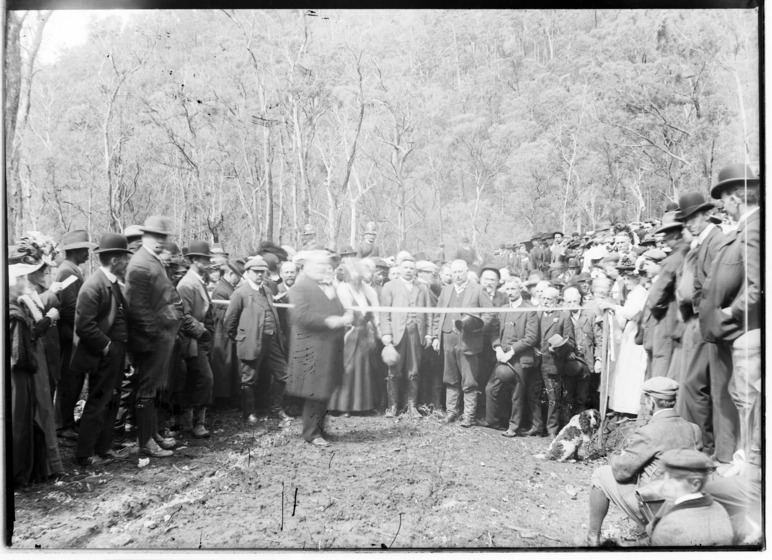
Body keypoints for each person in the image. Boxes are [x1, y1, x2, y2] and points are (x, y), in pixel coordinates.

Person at [586, 377, 703, 546]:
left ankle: (592, 539)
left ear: (650, 401)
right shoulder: (693, 429)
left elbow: (621, 472)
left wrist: (615, 456)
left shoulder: (648, 432)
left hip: (657, 511)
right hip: (686, 509)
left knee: (600, 474)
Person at [700, 163, 759, 463]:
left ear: (736, 198)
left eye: (724, 200)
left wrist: (729, 313)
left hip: (744, 332)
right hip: (736, 332)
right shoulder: (746, 227)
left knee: (746, 399)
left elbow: (757, 287)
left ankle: (749, 463)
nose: (723, 207)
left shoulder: (754, 228)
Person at [673, 191, 728, 461]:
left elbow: (714, 286)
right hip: (699, 320)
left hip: (707, 321)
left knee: (697, 387)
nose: (690, 223)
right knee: (695, 386)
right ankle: (701, 445)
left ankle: (705, 447)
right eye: (686, 220)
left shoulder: (716, 240)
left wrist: (701, 313)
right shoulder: (701, 243)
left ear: (706, 213)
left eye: (694, 217)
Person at [70, 233, 132, 467]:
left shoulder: (113, 283)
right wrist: (106, 347)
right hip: (103, 353)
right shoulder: (93, 285)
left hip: (116, 351)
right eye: (125, 258)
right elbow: (84, 325)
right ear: (115, 260)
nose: (127, 263)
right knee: (98, 401)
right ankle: (85, 454)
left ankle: (104, 448)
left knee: (112, 400)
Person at [125, 216, 183, 458]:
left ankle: (152, 434)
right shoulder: (140, 264)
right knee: (147, 390)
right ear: (144, 236)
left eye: (163, 237)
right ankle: (145, 442)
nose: (160, 241)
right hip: (151, 340)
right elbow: (137, 308)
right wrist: (155, 334)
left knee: (154, 389)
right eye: (155, 236)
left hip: (161, 338)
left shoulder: (153, 260)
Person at [9, 244, 65, 484]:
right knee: (20, 418)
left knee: (30, 416)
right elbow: (23, 342)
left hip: (29, 364)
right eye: (22, 277)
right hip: (22, 370)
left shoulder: (21, 300)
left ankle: (33, 468)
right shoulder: (14, 307)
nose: (25, 282)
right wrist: (48, 320)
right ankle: (19, 473)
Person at [286, 251, 352, 446]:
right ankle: (311, 433)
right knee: (314, 392)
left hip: (328, 348)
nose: (323, 270)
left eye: (324, 266)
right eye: (318, 266)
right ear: (305, 267)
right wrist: (329, 321)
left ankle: (319, 429)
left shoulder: (326, 287)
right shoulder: (300, 287)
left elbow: (337, 311)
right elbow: (299, 316)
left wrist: (344, 315)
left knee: (324, 390)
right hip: (312, 348)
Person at [224, 256, 290, 423]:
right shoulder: (240, 293)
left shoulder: (267, 290)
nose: (260, 275)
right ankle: (249, 413)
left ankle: (276, 409)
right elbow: (229, 322)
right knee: (249, 379)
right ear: (247, 273)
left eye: (263, 272)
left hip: (272, 340)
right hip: (252, 342)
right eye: (256, 272)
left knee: (283, 374)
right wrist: (243, 339)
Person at [430, 259, 494, 427]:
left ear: (467, 271)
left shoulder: (478, 290)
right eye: (454, 273)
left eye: (460, 272)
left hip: (468, 340)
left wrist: (477, 328)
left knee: (469, 379)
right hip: (447, 338)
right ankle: (452, 412)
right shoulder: (446, 290)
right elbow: (438, 315)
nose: (457, 276)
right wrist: (436, 336)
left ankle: (469, 415)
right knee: (449, 377)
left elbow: (490, 313)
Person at [482, 276, 539, 435]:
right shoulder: (503, 308)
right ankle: (492, 421)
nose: (510, 292)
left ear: (520, 289)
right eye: (507, 289)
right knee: (490, 388)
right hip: (502, 355)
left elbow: (531, 338)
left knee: (517, 394)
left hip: (520, 357)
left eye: (513, 289)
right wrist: (498, 348)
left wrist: (512, 352)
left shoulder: (529, 310)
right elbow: (494, 331)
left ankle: (514, 427)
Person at [55, 230, 97, 440]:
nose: (87, 254)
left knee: (75, 380)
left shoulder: (72, 270)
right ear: (75, 251)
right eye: (84, 250)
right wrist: (90, 319)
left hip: (74, 335)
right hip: (69, 336)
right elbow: (69, 309)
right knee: (69, 381)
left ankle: (67, 422)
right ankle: (63, 424)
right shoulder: (67, 272)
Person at [379, 254, 432, 417]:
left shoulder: (422, 287)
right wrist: (386, 333)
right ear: (400, 269)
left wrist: (429, 334)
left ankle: (412, 407)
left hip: (416, 333)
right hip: (396, 333)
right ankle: (393, 406)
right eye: (405, 268)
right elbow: (384, 313)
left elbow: (429, 312)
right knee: (394, 369)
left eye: (411, 268)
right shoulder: (389, 286)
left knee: (414, 370)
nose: (408, 271)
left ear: (415, 270)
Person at [647, 449, 733, 546]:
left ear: (695, 485)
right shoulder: (720, 509)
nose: (664, 486)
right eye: (665, 479)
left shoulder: (669, 526)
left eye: (671, 480)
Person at [597, 256, 648, 417]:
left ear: (637, 278)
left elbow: (630, 313)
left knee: (631, 369)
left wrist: (613, 306)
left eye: (629, 278)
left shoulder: (640, 292)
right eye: (625, 279)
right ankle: (623, 407)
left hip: (635, 332)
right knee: (625, 368)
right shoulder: (633, 292)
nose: (626, 282)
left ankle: (632, 409)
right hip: (629, 331)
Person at [329, 258, 380, 416]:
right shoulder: (343, 289)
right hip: (348, 334)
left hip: (364, 334)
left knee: (362, 369)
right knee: (347, 369)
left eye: (359, 277)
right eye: (354, 277)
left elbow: (376, 308)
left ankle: (360, 405)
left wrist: (376, 326)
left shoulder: (366, 289)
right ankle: (343, 406)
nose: (357, 280)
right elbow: (345, 311)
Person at [176, 241, 216, 438]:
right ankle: (195, 423)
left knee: (196, 380)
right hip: (192, 341)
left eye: (208, 258)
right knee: (204, 379)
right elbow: (184, 316)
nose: (207, 262)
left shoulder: (198, 280)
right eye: (203, 259)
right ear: (193, 260)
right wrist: (203, 331)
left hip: (201, 340)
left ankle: (191, 422)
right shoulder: (186, 284)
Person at [646, 214, 689, 382]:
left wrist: (658, 311)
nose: (665, 240)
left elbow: (655, 297)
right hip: (683, 321)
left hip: (669, 318)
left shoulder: (673, 259)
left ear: (676, 234)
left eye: (667, 235)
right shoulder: (691, 253)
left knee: (662, 369)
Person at [537, 286, 576, 436]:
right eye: (544, 299)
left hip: (553, 362)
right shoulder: (537, 313)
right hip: (536, 361)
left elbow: (571, 342)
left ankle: (552, 429)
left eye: (550, 299)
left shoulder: (563, 316)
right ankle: (537, 427)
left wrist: (558, 349)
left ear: (556, 301)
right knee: (534, 395)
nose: (546, 302)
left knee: (553, 396)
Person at [210, 258, 245, 405]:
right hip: (222, 335)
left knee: (229, 366)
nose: (238, 279)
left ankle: (230, 396)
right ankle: (222, 399)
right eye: (238, 275)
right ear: (231, 273)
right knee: (223, 366)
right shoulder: (221, 291)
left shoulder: (229, 288)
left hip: (229, 333)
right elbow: (223, 315)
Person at [564, 285, 601, 412]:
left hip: (588, 359)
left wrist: (599, 359)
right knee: (569, 393)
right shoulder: (563, 316)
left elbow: (599, 338)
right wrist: (567, 352)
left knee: (587, 394)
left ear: (580, 300)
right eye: (569, 302)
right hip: (570, 361)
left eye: (574, 301)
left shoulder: (590, 315)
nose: (572, 305)